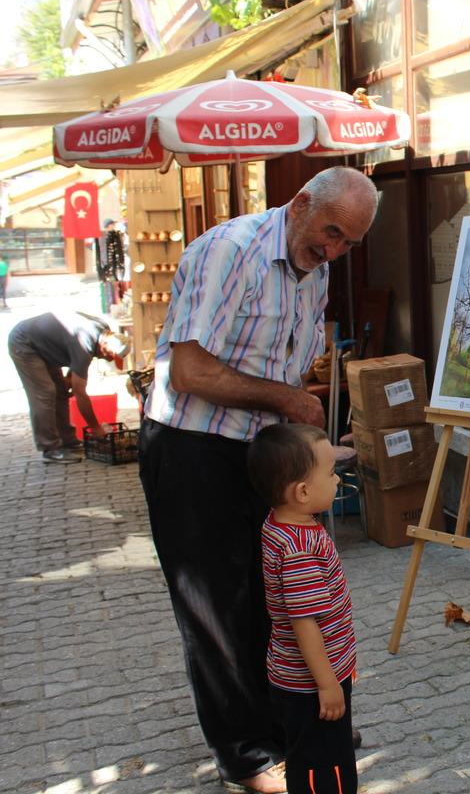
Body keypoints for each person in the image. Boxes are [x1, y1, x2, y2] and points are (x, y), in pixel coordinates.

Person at [138, 166, 378, 794]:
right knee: (217, 608)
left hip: (255, 448)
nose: (332, 252)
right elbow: (189, 372)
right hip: (191, 445)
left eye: (348, 244)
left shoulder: (317, 270)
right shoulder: (228, 251)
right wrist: (287, 400)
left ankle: (286, 721)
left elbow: (288, 368)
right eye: (329, 233)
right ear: (299, 204)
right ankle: (243, 754)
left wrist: (309, 434)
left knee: (274, 597)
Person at [248, 423, 357, 794]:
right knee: (323, 769)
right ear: (303, 491)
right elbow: (304, 622)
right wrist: (327, 683)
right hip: (311, 685)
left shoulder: (283, 526)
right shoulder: (298, 550)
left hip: (309, 677)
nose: (337, 481)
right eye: (330, 474)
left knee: (320, 755)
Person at [7, 311, 129, 462]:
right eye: (109, 355)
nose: (108, 359)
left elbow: (76, 355)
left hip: (45, 346)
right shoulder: (85, 342)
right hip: (25, 343)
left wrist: (70, 377)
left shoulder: (103, 331)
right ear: (104, 345)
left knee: (61, 391)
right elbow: (80, 393)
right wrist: (95, 427)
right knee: (45, 393)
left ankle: (67, 440)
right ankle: (49, 448)